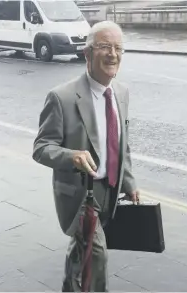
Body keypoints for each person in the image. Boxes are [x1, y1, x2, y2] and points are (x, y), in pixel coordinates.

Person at [32, 20, 139, 292]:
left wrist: (128, 182)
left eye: (118, 48)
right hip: (81, 195)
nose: (112, 54)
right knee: (98, 256)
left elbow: (121, 143)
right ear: (87, 54)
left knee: (83, 252)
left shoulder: (121, 93)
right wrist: (72, 157)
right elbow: (41, 147)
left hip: (110, 189)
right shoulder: (61, 97)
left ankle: (70, 287)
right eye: (104, 46)